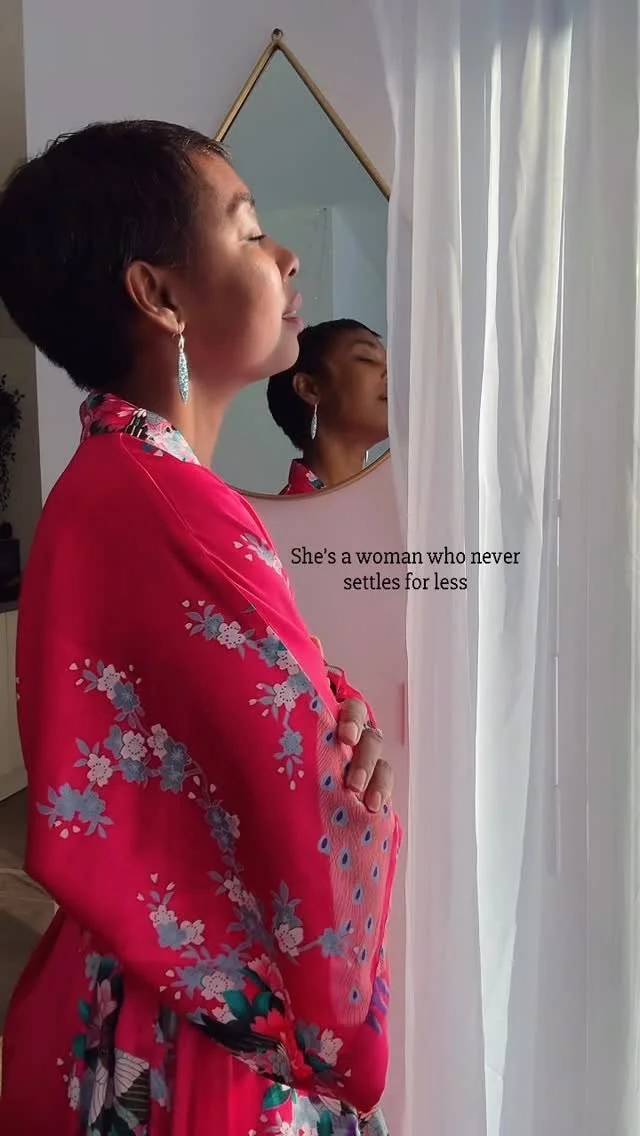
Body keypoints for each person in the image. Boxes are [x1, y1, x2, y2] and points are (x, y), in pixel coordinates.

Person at [0, 121, 399, 1136]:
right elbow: (303, 808)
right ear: (160, 294)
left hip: (130, 994)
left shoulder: (122, 484)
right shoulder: (171, 507)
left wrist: (332, 712)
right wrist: (348, 752)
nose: (285, 255)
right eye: (249, 228)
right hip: (192, 1039)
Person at [267, 320, 388, 494]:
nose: (390, 372)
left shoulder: (391, 500)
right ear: (309, 388)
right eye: (367, 358)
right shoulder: (293, 510)